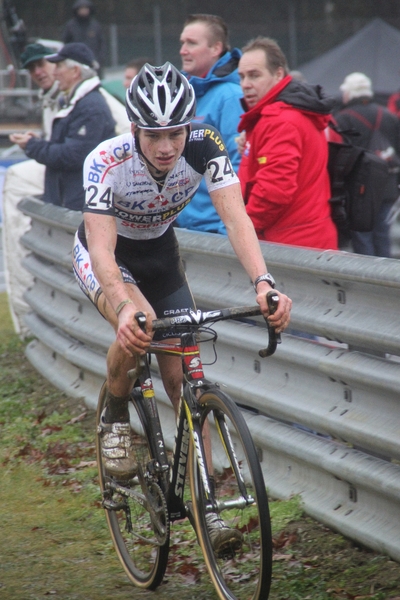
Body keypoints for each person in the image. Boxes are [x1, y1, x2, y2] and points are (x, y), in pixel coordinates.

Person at [72, 62, 292, 553]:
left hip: (160, 255)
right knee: (140, 327)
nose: (167, 145)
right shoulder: (106, 159)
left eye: (176, 131)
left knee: (184, 382)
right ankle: (113, 414)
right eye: (154, 135)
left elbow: (237, 219)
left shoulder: (205, 146)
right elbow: (103, 251)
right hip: (105, 255)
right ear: (135, 129)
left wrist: (263, 283)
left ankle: (205, 504)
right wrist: (125, 307)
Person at [237, 37, 338, 250]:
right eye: (242, 76)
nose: (246, 84)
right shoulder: (287, 113)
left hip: (290, 245)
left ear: (278, 74)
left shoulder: (280, 119)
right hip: (302, 240)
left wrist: (242, 231)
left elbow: (273, 191)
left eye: (254, 75)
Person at [10, 43, 116, 211]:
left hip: (80, 205)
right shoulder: (75, 102)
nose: (55, 72)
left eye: (59, 66)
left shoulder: (91, 106)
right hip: (72, 200)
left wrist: (32, 145)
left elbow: (73, 155)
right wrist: (37, 143)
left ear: (75, 71)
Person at [3, 42, 62, 335]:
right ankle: (29, 323)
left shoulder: (87, 97)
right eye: (32, 68)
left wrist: (35, 145)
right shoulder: (50, 98)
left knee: (15, 178)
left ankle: (28, 322)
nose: (38, 72)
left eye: (43, 64)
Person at [175, 14, 243, 234]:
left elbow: (238, 163)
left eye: (191, 43)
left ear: (216, 48)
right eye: (182, 43)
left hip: (215, 230)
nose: (183, 50)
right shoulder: (184, 95)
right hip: (184, 226)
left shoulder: (230, 96)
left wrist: (229, 227)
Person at [335, 73, 400, 257]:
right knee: (383, 236)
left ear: (349, 92)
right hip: (387, 186)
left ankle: (365, 280)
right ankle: (385, 281)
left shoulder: (343, 118)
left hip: (360, 189)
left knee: (363, 237)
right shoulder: (389, 115)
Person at [63, 0, 104, 75]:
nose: (84, 11)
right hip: (76, 63)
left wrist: (99, 60)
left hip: (93, 63)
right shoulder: (71, 26)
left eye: (86, 8)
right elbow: (66, 44)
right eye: (81, 8)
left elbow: (101, 45)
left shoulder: (95, 26)